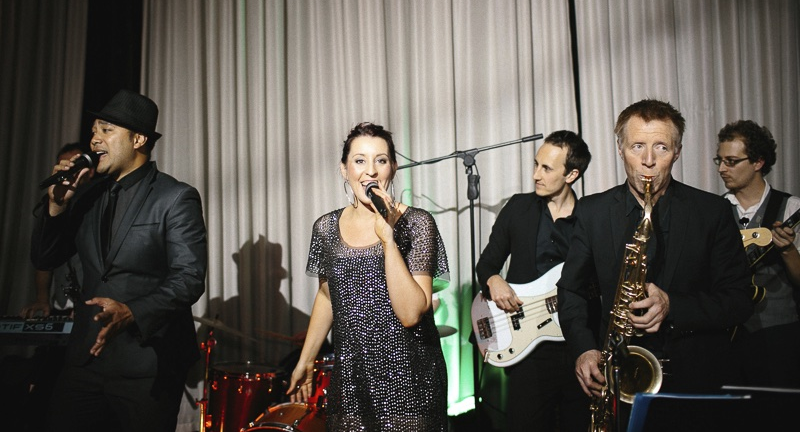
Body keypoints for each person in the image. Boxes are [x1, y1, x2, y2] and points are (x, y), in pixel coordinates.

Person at [556, 99, 753, 428]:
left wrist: (672, 305)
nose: (648, 161)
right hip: (619, 379)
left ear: (677, 152)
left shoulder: (712, 212)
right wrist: (584, 349)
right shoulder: (592, 212)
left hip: (694, 382)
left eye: (661, 147)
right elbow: (571, 290)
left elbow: (739, 300)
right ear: (620, 149)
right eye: (637, 146)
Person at [30, 89, 208, 432]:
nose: (94, 139)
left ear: (138, 139)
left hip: (147, 365)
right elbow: (45, 257)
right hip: (84, 361)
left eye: (106, 130)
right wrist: (56, 206)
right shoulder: (86, 196)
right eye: (94, 131)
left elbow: (189, 278)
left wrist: (132, 311)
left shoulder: (174, 197)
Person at [286, 122, 450, 431]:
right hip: (352, 379)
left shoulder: (417, 223)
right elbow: (327, 296)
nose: (370, 171)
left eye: (381, 160)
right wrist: (306, 360)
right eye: (359, 160)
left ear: (393, 168)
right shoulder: (326, 228)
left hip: (410, 381)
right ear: (344, 169)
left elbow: (411, 313)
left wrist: (388, 239)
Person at [475, 130, 592, 431]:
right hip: (528, 347)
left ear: (572, 174)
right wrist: (493, 279)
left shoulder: (590, 219)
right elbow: (486, 263)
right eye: (536, 164)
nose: (535, 175)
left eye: (547, 168)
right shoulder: (518, 208)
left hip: (577, 346)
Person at [716, 120, 800, 388]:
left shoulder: (790, 207)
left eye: (731, 161)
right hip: (727, 335)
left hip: (779, 336)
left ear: (758, 162)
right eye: (720, 160)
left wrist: (787, 250)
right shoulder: (714, 210)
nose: (721, 169)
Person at [21, 142, 93, 319]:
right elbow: (44, 257)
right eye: (64, 166)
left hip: (91, 306)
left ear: (90, 171)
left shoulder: (99, 203)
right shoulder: (53, 204)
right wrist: (42, 299)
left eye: (74, 166)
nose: (69, 171)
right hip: (60, 305)